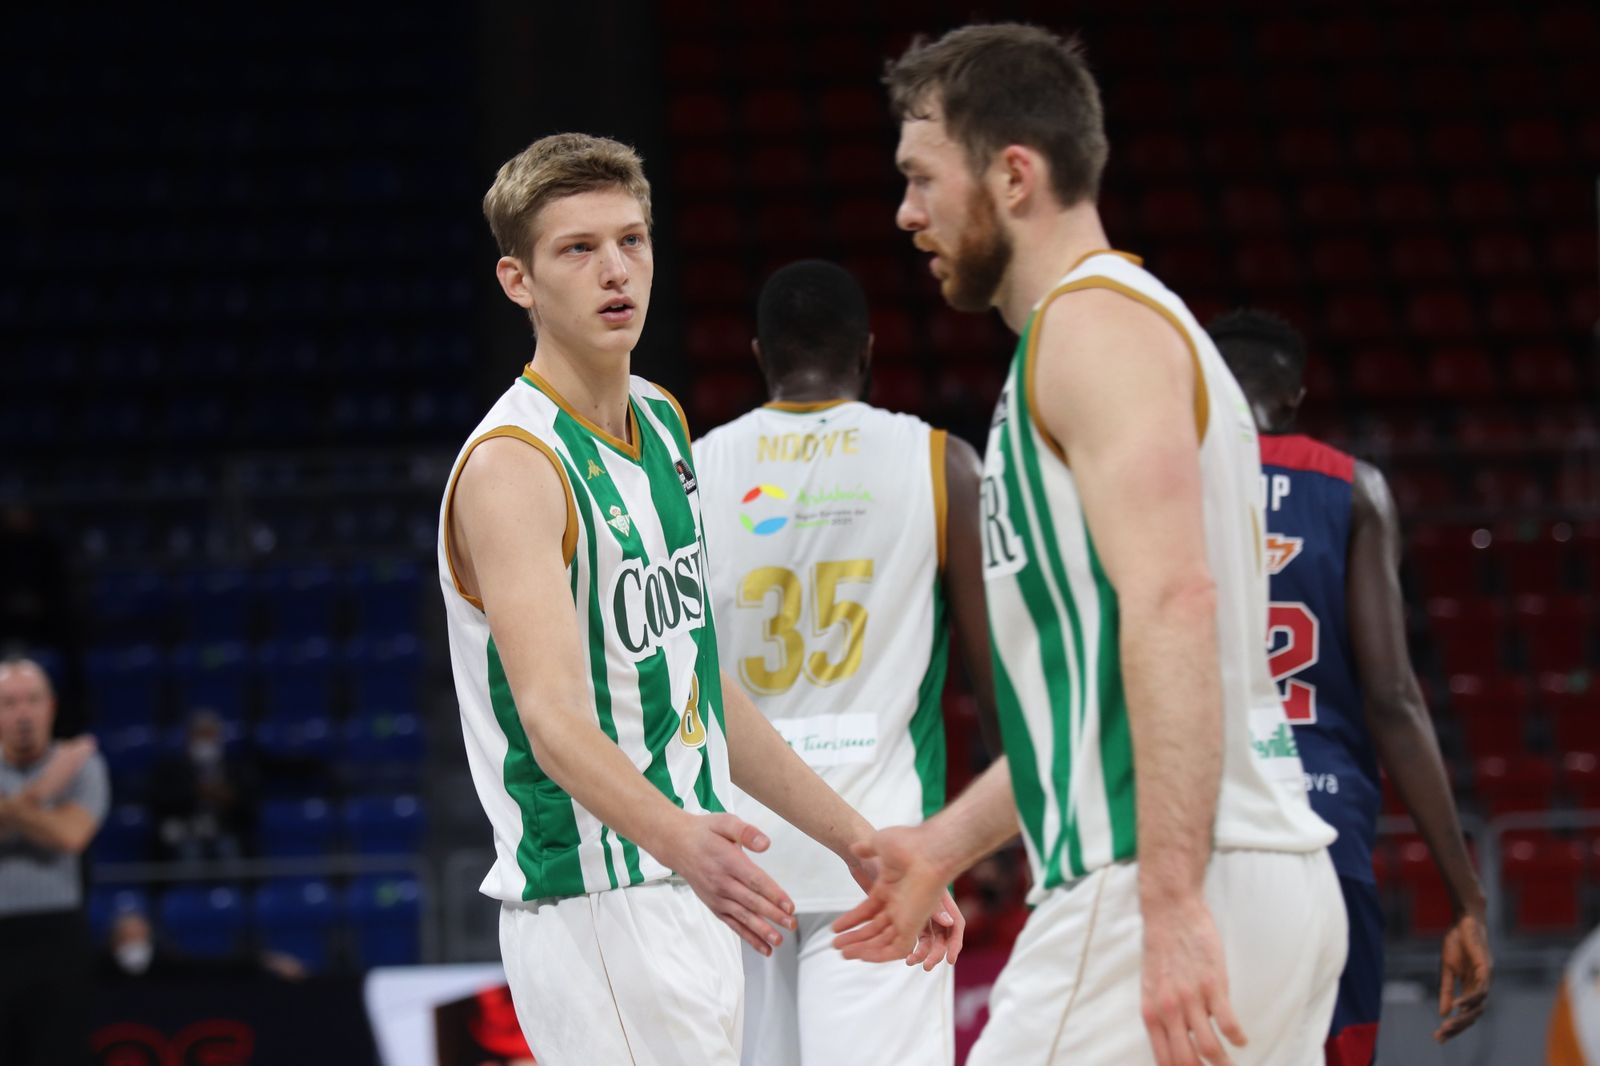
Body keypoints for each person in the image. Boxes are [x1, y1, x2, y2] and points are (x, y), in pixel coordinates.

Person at [831, 24, 1346, 1066]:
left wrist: (1171, 903)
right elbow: (1105, 690)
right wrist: (942, 846)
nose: (906, 213)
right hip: (1246, 872)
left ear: (1013, 175)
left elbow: (1173, 603)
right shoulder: (1124, 328)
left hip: (1154, 876)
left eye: (922, 178)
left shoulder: (1089, 331)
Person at [438, 133, 958, 1066]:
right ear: (518, 281)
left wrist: (859, 841)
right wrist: (681, 839)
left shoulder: (663, 418)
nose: (614, 271)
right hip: (598, 901)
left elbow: (703, 680)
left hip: (693, 886)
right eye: (578, 249)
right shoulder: (514, 466)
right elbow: (552, 720)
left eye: (631, 241)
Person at [694, 259, 995, 1066]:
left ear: (759, 355)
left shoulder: (690, 474)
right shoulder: (942, 465)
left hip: (739, 860)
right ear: (867, 352)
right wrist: (1004, 840)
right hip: (888, 855)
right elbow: (995, 683)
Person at [1209, 309, 1492, 1062]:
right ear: (1294, 398)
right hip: (1322, 835)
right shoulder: (1354, 488)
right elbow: (1393, 698)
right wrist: (1466, 898)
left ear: (1199, 388)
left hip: (1200, 836)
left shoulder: (1161, 480)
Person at [0, 657, 109, 1066]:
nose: (22, 714)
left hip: (58, 935)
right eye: (9, 703)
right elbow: (52, 825)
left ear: (52, 706)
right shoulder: (67, 766)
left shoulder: (84, 766)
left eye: (32, 700)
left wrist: (13, 806)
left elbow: (69, 836)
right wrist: (44, 791)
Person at [150, 708, 256, 862]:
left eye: (210, 734)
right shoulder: (172, 766)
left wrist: (229, 797)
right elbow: (161, 800)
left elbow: (249, 802)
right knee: (190, 850)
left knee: (227, 847)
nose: (205, 740)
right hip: (185, 828)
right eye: (200, 734)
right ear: (189, 736)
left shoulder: (235, 767)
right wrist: (195, 792)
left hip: (226, 828)